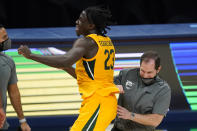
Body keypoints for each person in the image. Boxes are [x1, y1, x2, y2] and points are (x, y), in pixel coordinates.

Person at [18, 7, 123, 131]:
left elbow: (65, 59)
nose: (76, 22)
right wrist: (65, 67)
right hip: (104, 101)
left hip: (98, 102)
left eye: (81, 19)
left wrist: (30, 55)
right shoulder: (106, 41)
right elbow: (88, 77)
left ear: (90, 26)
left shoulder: (86, 42)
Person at [111, 51, 171, 131]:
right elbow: (107, 83)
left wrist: (130, 115)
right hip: (118, 128)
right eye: (142, 71)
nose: (145, 75)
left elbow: (156, 120)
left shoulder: (163, 90)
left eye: (149, 72)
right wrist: (114, 86)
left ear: (158, 69)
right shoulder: (127, 74)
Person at [0, 25, 31, 131]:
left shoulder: (8, 61)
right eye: (4, 37)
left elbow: (14, 93)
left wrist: (22, 121)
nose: (7, 40)